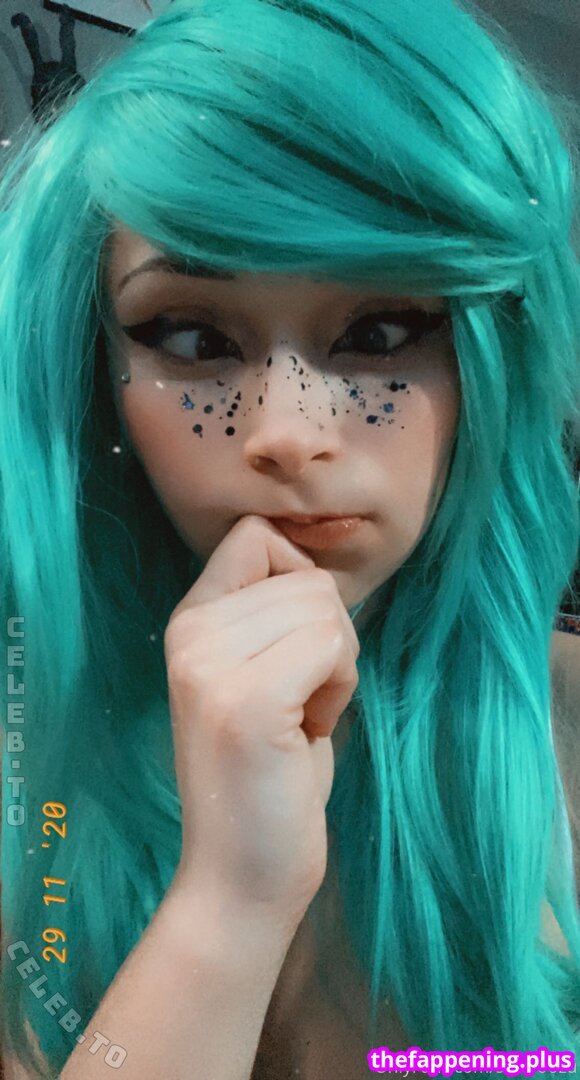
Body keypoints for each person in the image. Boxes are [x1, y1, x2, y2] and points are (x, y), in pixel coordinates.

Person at [1, 0, 579, 1076]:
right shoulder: (29, 766)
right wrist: (228, 904)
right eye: (190, 336)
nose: (284, 431)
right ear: (97, 371)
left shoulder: (568, 735)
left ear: (491, 357)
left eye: (381, 332)